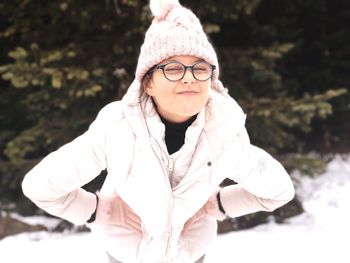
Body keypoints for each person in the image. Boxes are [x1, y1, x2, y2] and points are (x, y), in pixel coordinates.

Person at [21, 0, 295, 262]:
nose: (189, 76)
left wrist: (217, 205)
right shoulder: (116, 128)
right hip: (127, 256)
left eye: (200, 68)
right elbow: (41, 187)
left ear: (211, 80)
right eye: (174, 68)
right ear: (148, 83)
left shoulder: (225, 134)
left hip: (190, 255)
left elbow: (278, 192)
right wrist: (99, 210)